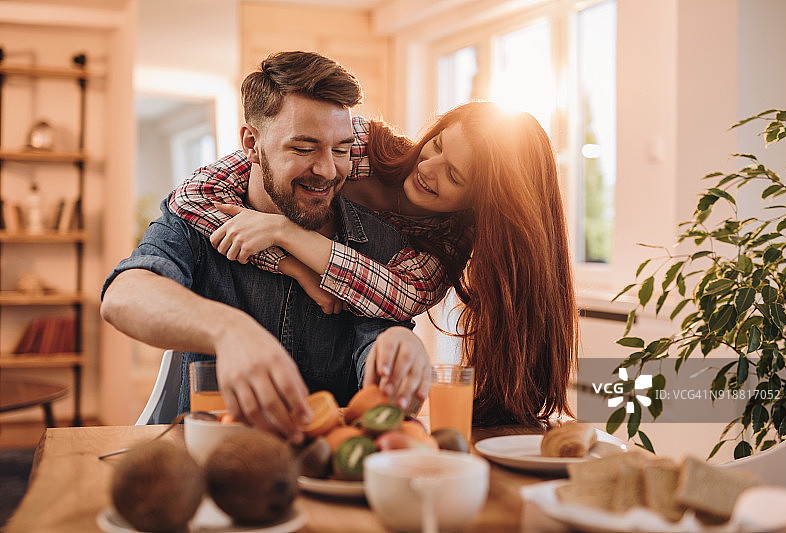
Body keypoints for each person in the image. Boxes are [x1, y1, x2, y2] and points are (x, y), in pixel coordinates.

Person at [169, 99, 579, 428]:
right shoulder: (362, 144)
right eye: (436, 145)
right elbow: (192, 196)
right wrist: (293, 267)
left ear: (480, 202)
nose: (426, 168)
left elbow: (395, 299)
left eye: (454, 175)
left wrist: (286, 233)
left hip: (334, 362)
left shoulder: (446, 245)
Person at [99, 51, 431, 444]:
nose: (327, 170)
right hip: (210, 456)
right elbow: (123, 295)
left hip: (323, 464)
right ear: (252, 144)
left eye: (341, 150)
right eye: (304, 149)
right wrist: (229, 330)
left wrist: (397, 347)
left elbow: (375, 334)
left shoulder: (377, 241)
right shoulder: (198, 215)